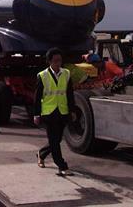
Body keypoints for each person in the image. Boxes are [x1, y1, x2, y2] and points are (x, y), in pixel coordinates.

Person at [34, 47, 75, 176]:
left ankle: (41, 154)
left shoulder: (67, 74)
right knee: (54, 140)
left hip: (62, 111)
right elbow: (37, 97)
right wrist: (36, 114)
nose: (58, 63)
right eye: (55, 61)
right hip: (49, 112)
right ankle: (62, 165)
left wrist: (72, 110)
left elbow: (70, 94)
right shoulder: (42, 76)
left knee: (56, 140)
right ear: (49, 61)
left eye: (60, 60)